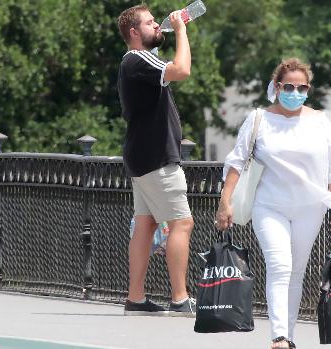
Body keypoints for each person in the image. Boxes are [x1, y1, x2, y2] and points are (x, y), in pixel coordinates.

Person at [215, 58, 331, 349]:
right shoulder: (259, 118)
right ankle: (278, 336)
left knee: (297, 271)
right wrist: (225, 202)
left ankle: (288, 336)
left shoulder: (319, 121)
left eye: (302, 87)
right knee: (280, 265)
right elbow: (236, 162)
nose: (295, 92)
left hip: (310, 207)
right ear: (277, 87)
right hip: (269, 205)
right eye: (289, 86)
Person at [117, 4, 195, 316]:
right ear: (135, 33)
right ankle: (180, 298)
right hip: (156, 157)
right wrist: (180, 30)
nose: (156, 27)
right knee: (182, 223)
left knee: (146, 225)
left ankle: (135, 298)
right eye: (150, 23)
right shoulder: (139, 58)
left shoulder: (131, 62)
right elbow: (182, 70)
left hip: (141, 156)